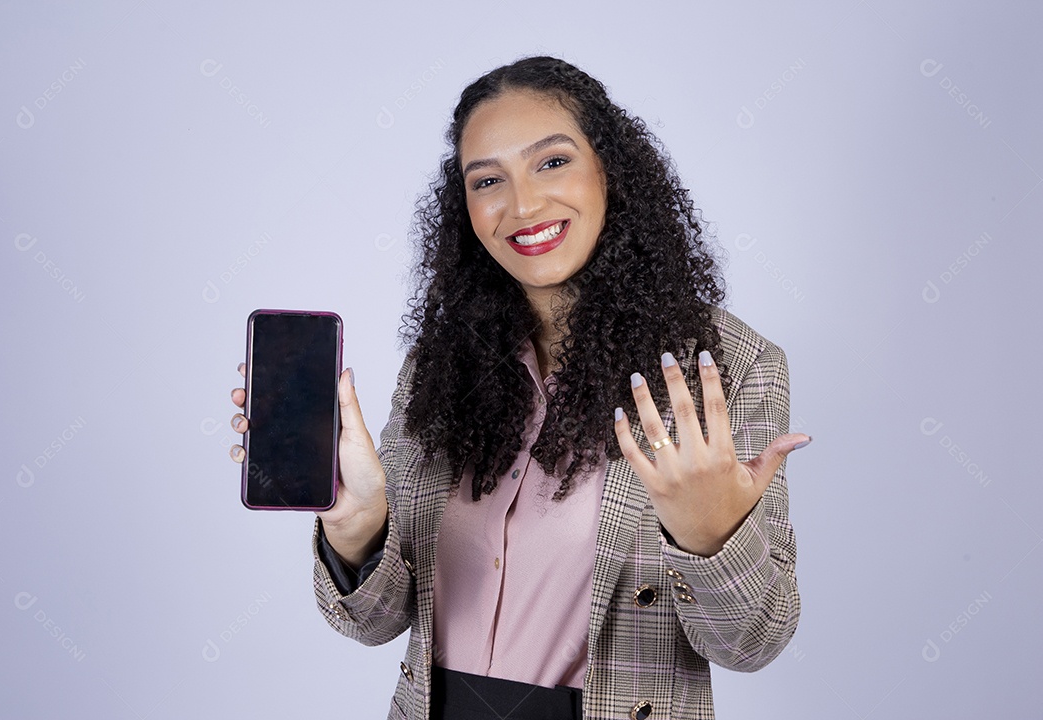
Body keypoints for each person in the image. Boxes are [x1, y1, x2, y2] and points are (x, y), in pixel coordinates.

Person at [229, 55, 809, 720]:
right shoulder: (438, 369)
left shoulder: (727, 366)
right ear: (466, 207)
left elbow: (753, 642)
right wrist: (356, 522)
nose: (523, 204)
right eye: (487, 181)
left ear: (609, 169)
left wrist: (711, 536)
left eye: (552, 161)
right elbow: (374, 621)